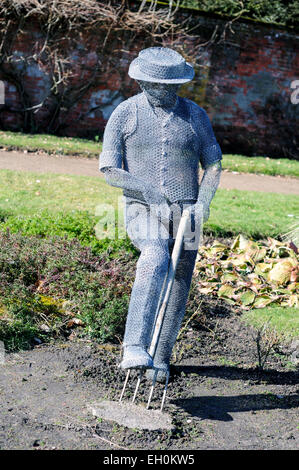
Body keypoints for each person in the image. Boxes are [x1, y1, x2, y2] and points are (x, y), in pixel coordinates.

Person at [99, 47, 222, 381]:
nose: (165, 91)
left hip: (188, 214)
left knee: (180, 280)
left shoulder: (195, 116)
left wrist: (203, 202)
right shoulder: (125, 114)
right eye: (156, 85)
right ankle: (134, 347)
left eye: (172, 86)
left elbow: (213, 164)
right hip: (142, 207)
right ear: (141, 82)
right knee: (154, 257)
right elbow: (109, 168)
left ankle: (161, 359)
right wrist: (149, 192)